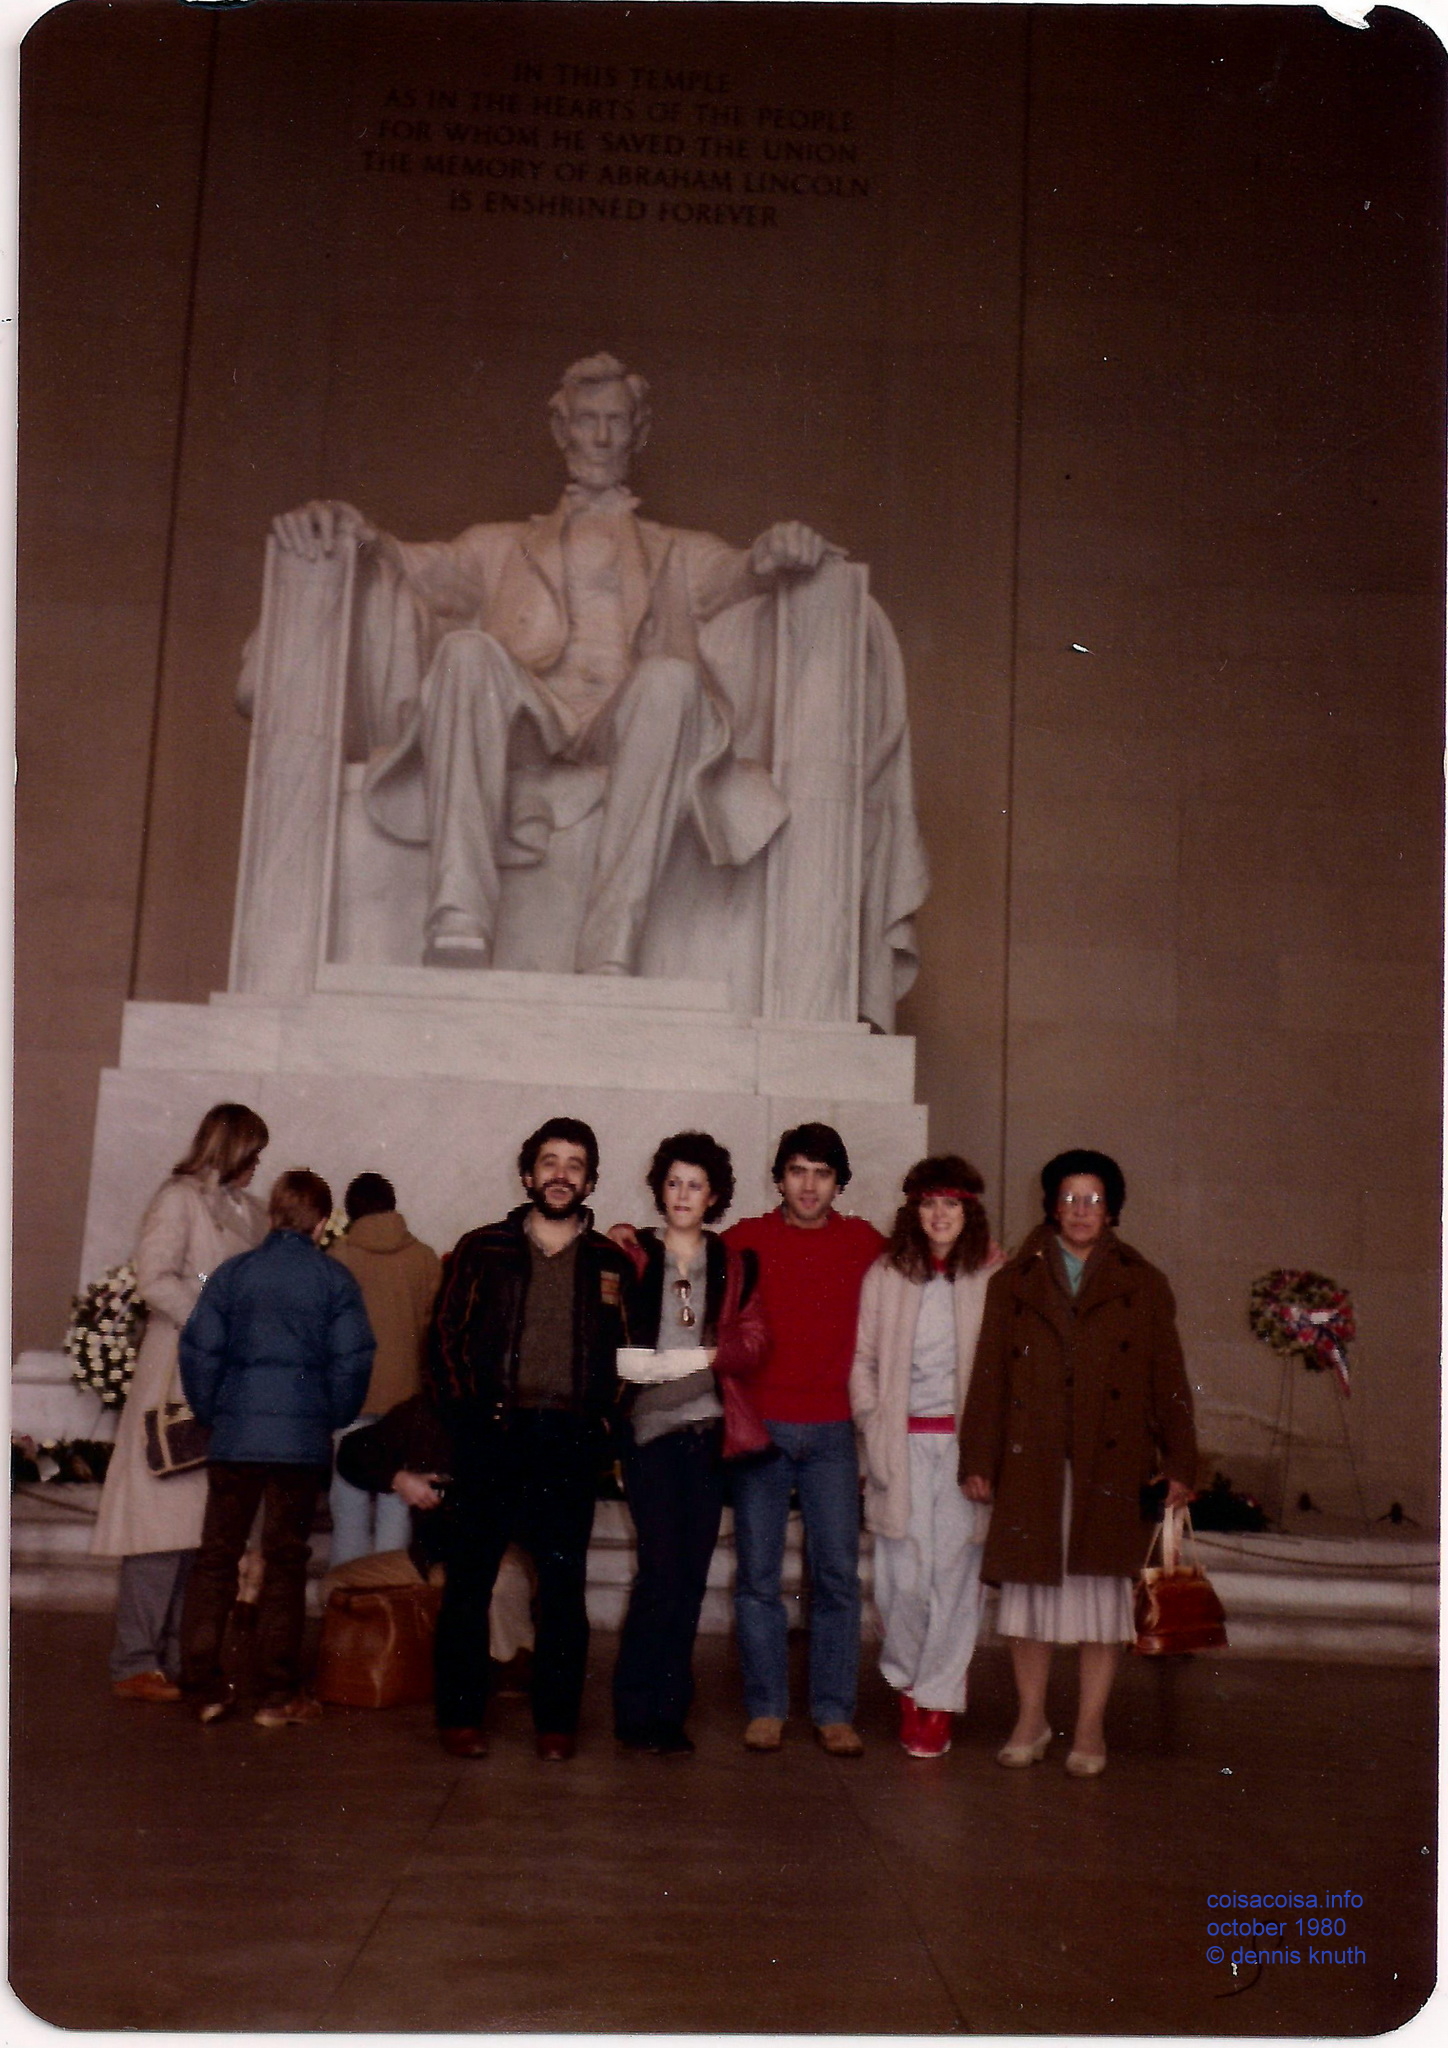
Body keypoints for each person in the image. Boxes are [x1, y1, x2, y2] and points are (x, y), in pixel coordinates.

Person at [270, 353, 829, 973]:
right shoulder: (497, 546)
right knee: (465, 652)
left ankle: (610, 947)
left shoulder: (678, 553)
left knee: (671, 678)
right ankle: (459, 919)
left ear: (638, 432)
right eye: (585, 420)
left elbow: (738, 574)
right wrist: (357, 530)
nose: (600, 436)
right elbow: (410, 565)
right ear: (561, 430)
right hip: (527, 721)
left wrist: (773, 551)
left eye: (615, 420)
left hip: (626, 724)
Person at [958, 1149, 1198, 1777]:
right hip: (1032, 1462)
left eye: (1092, 1199)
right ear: (1051, 1205)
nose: (1080, 1211)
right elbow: (989, 1376)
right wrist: (977, 1457)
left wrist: (1180, 1462)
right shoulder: (1012, 1282)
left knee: (1100, 1598)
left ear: (1112, 1207)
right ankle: (1031, 1717)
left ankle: (1090, 1726)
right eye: (1069, 1198)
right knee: (1027, 1598)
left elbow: (1168, 1379)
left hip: (1110, 1464)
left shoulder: (1143, 1283)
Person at [422, 1117, 632, 1760]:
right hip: (493, 1433)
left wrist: (602, 1427)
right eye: (549, 1161)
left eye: (574, 1164)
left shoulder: (609, 1262)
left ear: (590, 1180)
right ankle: (460, 1716)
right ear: (527, 1174)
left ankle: (556, 1723)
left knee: (564, 1593)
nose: (561, 1174)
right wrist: (469, 1416)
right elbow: (443, 1340)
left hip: (567, 1442)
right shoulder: (483, 1248)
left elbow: (627, 1353)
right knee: (469, 1583)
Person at [177, 1169, 375, 1726]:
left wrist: (218, 1412)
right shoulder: (335, 1281)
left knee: (216, 1558)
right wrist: (326, 1417)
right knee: (285, 1564)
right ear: (321, 1222)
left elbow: (199, 1352)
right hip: (300, 1443)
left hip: (236, 1437)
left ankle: (204, 1689)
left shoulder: (233, 1274)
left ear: (272, 1215)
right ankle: (276, 1695)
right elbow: (353, 1359)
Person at [92, 1103, 269, 1702]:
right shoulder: (179, 1197)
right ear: (230, 1148)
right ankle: (135, 1660)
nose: (257, 1166)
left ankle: (173, 1653)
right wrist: (216, 1320)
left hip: (226, 1382)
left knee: (202, 1530)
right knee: (158, 1524)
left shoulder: (253, 1210)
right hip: (176, 1370)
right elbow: (154, 1278)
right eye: (252, 1154)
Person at [722, 1123, 886, 1756]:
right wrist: (629, 1239)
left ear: (837, 1181)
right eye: (797, 1171)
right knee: (759, 1576)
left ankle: (833, 1710)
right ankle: (766, 1707)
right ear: (781, 1178)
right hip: (761, 1431)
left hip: (833, 1434)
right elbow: (682, 1255)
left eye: (821, 1172)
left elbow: (927, 1263)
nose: (809, 1184)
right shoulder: (748, 1240)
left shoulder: (863, 1242)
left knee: (838, 1576)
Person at [612, 1131, 768, 1756]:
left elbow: (754, 1343)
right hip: (648, 1434)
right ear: (660, 1189)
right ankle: (634, 1708)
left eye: (695, 1185)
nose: (682, 1195)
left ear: (714, 1196)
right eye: (673, 1183)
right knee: (658, 1571)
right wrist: (694, 1361)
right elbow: (621, 1358)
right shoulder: (631, 1256)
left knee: (691, 1577)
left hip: (706, 1436)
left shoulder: (735, 1263)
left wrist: (698, 1355)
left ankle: (670, 1711)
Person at [850, 1154, 1002, 1759]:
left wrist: (988, 1452)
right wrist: (872, 1417)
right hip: (901, 1445)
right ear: (914, 1210)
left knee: (955, 1576)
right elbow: (862, 1360)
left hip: (966, 1451)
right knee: (900, 1579)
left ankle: (936, 1696)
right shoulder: (887, 1274)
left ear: (970, 1211)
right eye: (930, 1204)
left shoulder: (993, 1276)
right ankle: (908, 1678)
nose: (940, 1215)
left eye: (952, 1204)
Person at [326, 1173, 442, 1566]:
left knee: (349, 1510)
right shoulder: (424, 1258)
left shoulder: (338, 1258)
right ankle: (388, 1604)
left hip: (350, 1399)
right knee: (396, 1507)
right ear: (393, 1206)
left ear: (351, 1211)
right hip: (406, 1404)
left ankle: (348, 1609)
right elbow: (435, 1332)